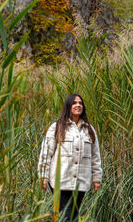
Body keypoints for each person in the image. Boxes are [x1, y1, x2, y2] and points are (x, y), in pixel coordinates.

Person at [38, 93, 102, 221]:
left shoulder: (89, 130)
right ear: (68, 106)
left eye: (80, 103)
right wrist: (43, 176)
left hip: (81, 181)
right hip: (60, 181)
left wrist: (96, 179)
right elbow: (46, 153)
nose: (78, 105)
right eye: (74, 103)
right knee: (65, 217)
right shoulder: (57, 127)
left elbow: (95, 156)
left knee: (73, 217)